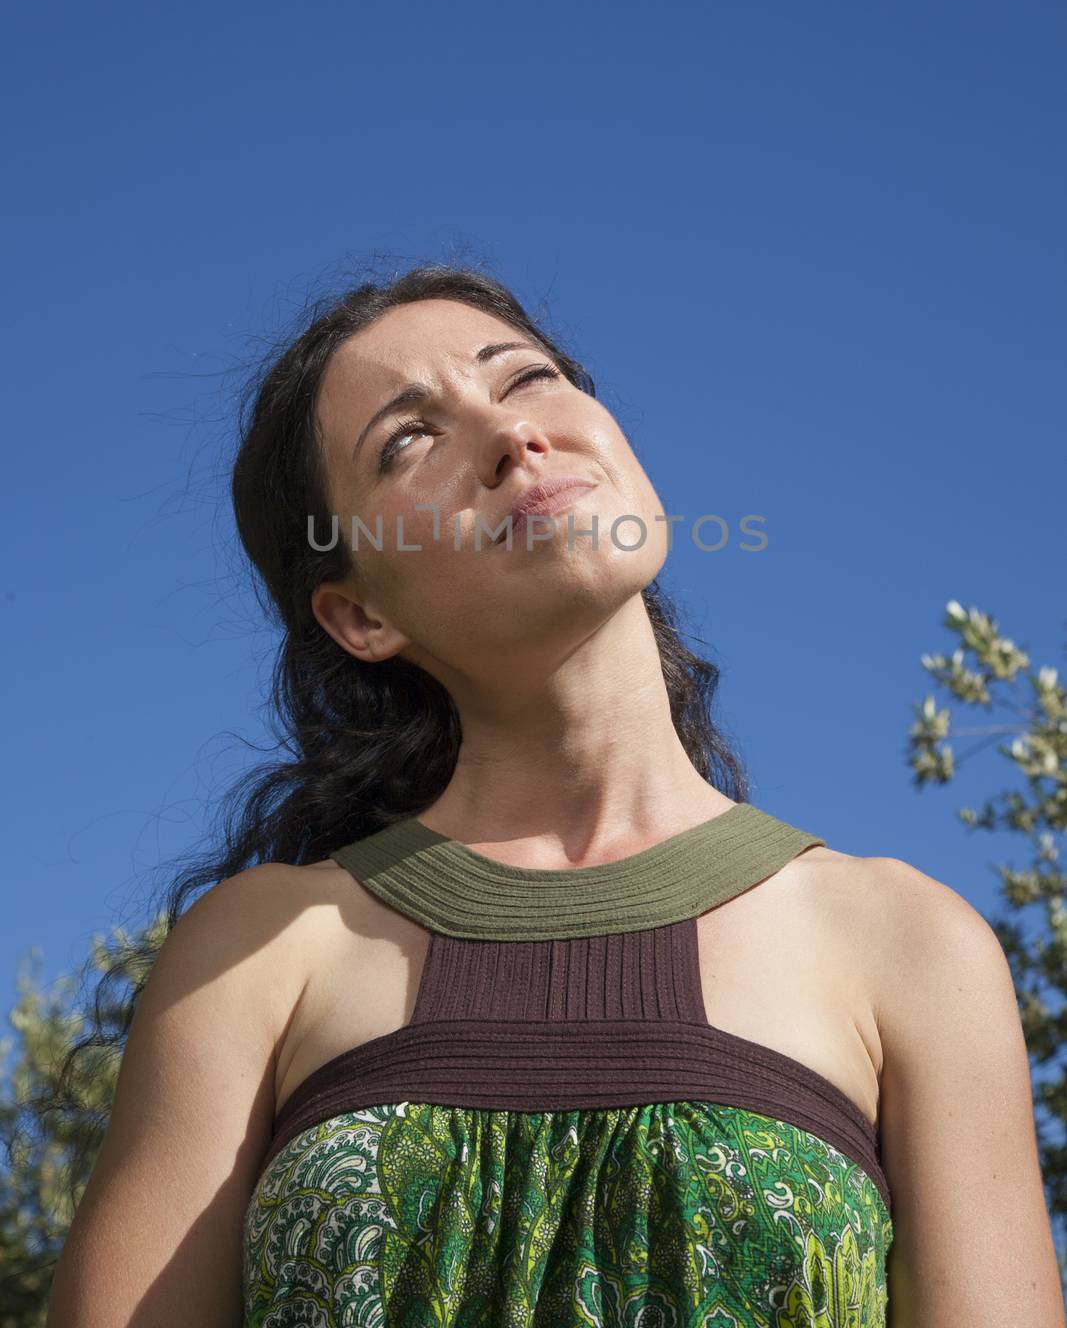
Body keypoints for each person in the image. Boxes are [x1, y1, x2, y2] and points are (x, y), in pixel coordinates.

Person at [47, 263, 1064, 1326]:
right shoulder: (257, 953)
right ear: (359, 617)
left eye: (525, 378)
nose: (509, 436)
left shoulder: (909, 943)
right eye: (407, 440)